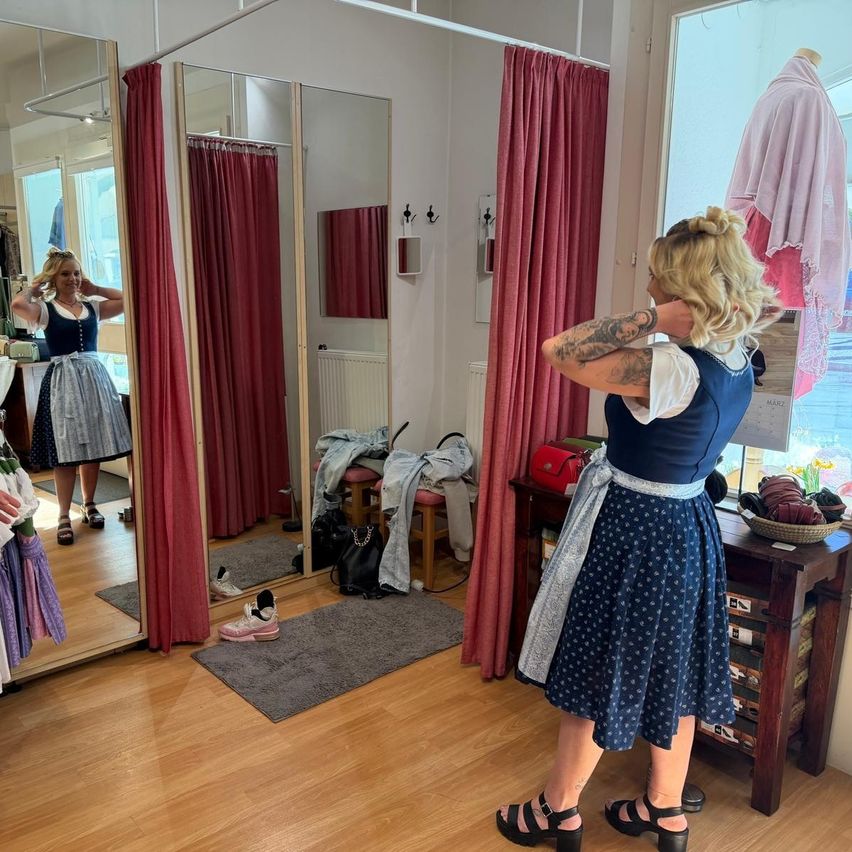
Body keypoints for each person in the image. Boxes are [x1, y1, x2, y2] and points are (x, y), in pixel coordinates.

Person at [496, 207, 780, 852]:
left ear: (682, 293)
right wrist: (670, 323)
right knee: (673, 674)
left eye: (656, 280)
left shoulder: (674, 370)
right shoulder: (739, 355)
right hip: (689, 526)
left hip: (638, 530)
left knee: (603, 671)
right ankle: (665, 810)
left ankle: (557, 811)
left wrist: (654, 321)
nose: (647, 287)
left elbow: (558, 350)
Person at [11, 248, 131, 545]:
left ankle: (89, 505)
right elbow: (17, 303)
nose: (72, 279)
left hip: (93, 381)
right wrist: (36, 286)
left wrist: (96, 289)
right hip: (63, 381)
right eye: (65, 274)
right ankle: (64, 514)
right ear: (55, 277)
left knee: (92, 447)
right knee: (65, 452)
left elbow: (126, 299)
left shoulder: (93, 306)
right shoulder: (45, 310)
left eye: (76, 273)